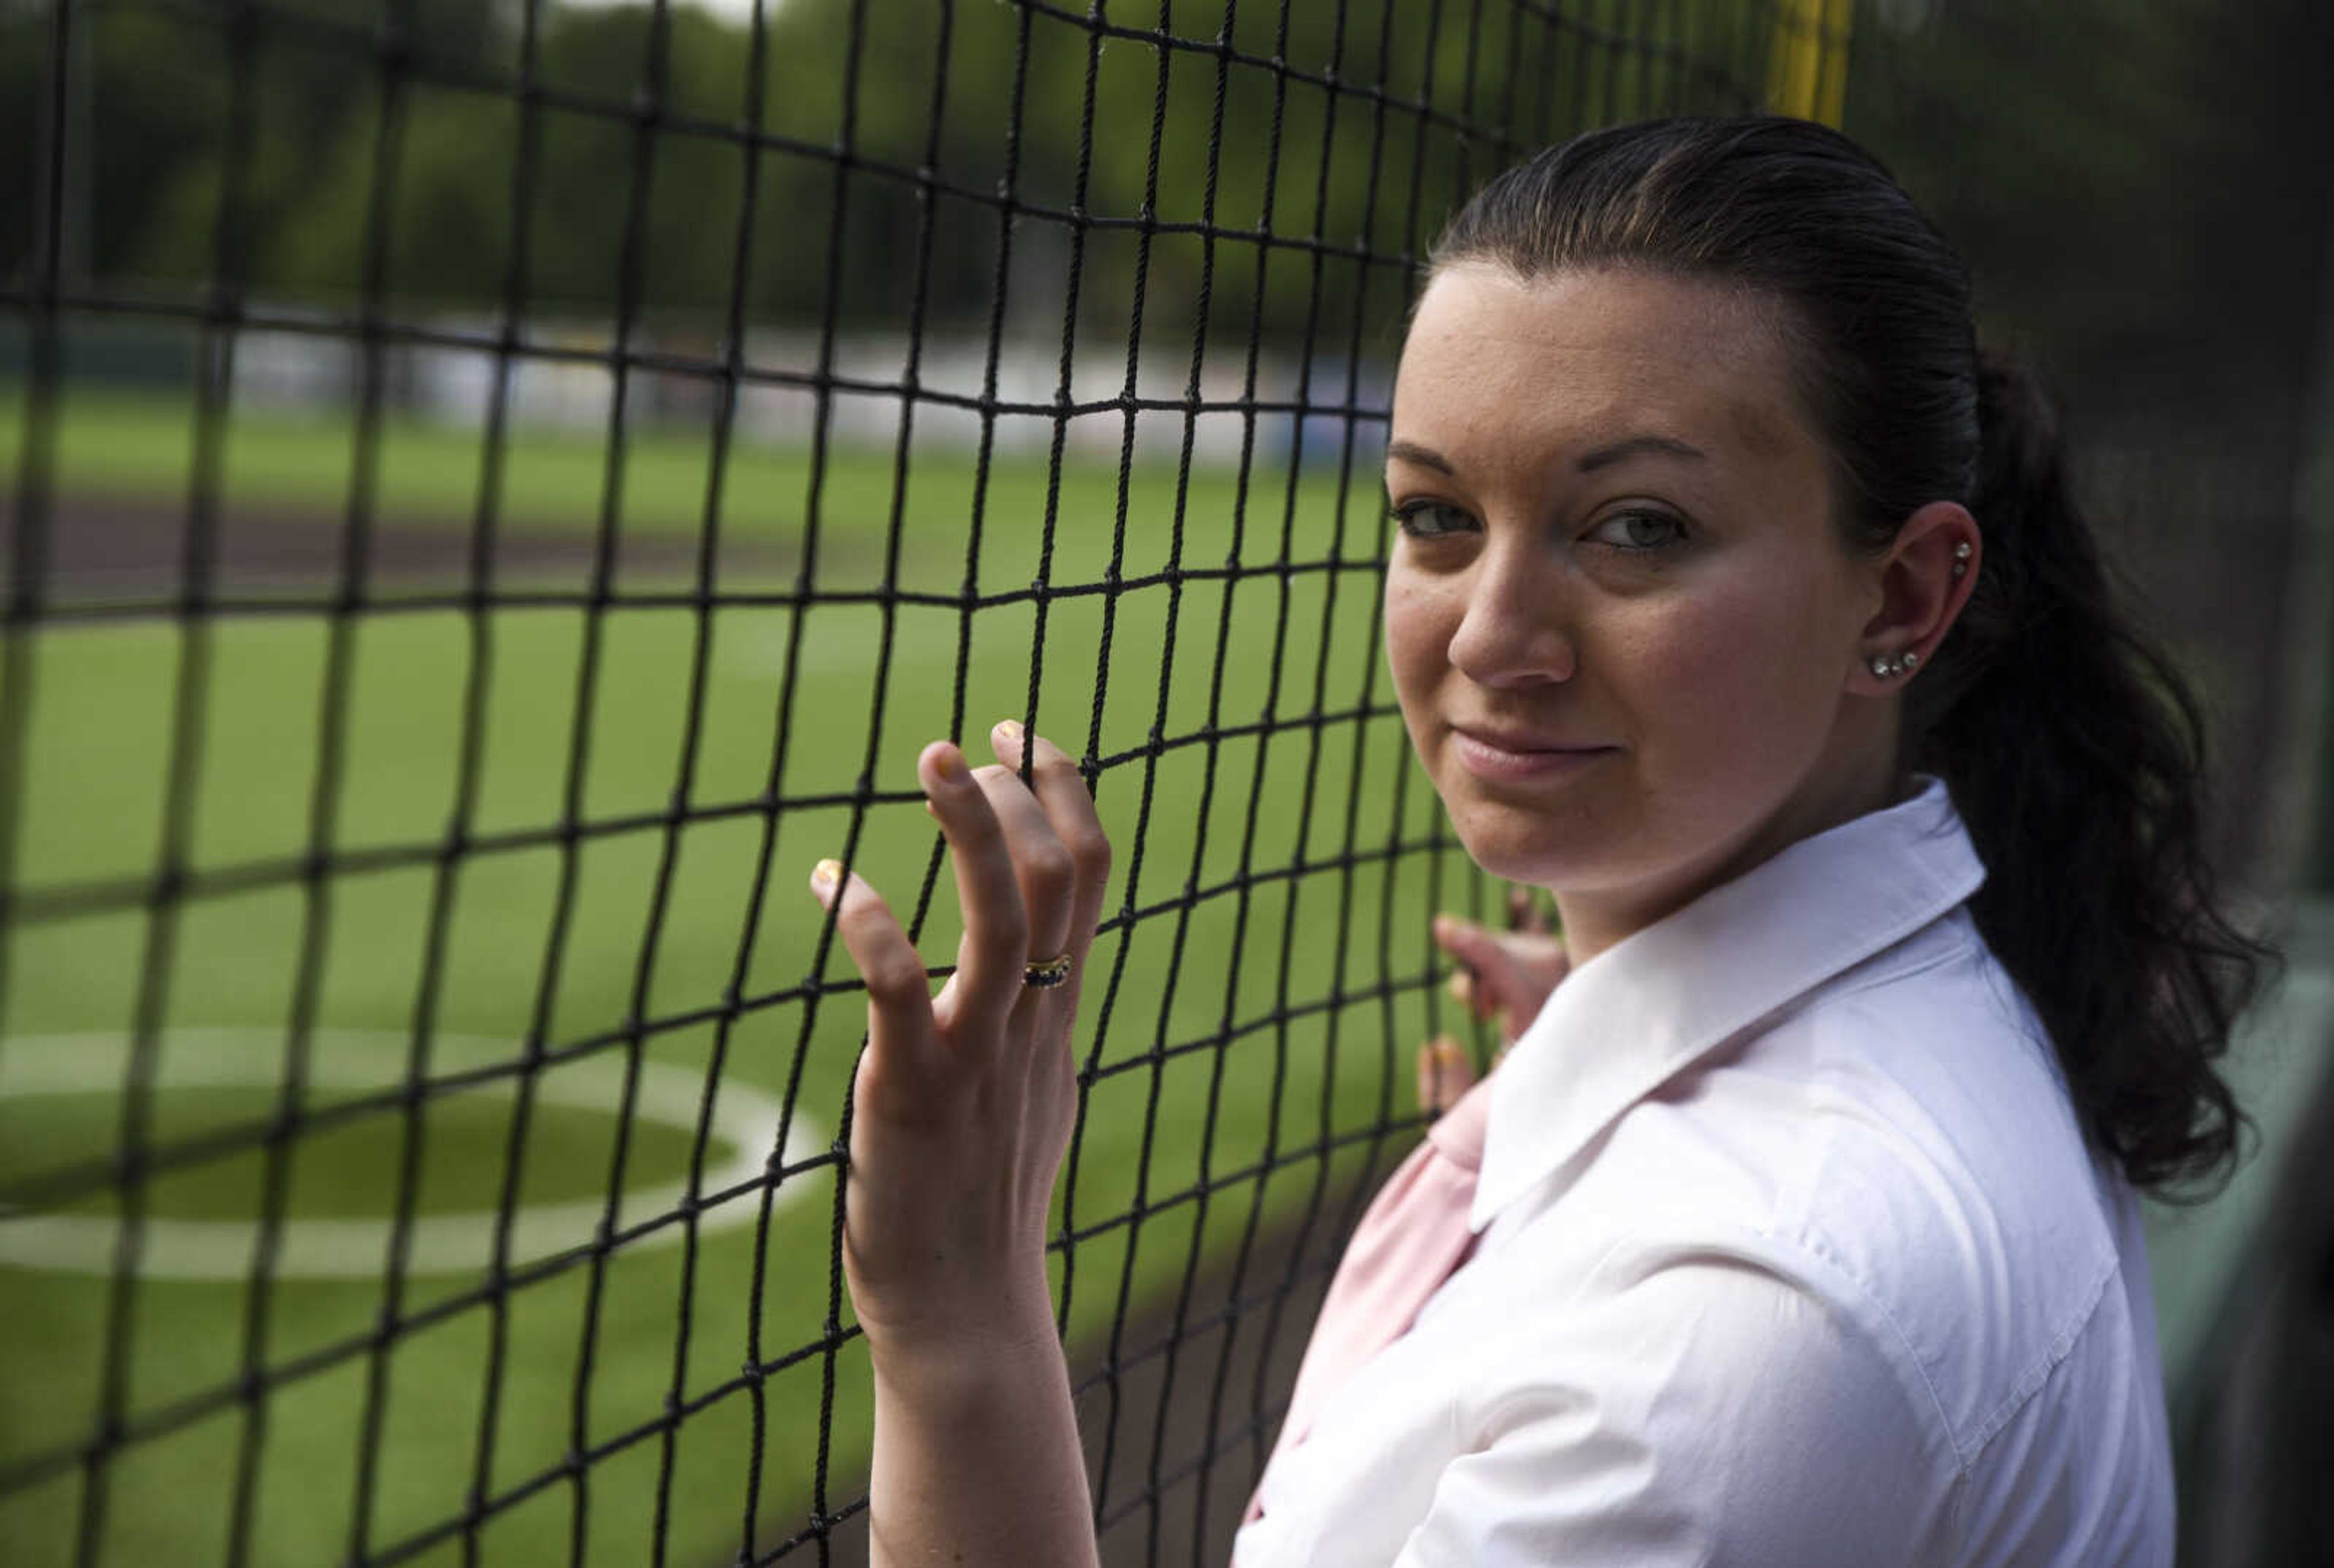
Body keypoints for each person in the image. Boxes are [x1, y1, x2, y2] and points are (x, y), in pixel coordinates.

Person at [804, 115, 2270, 1566]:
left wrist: (959, 1323)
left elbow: (1748, 1348)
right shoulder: (1905, 1042)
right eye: (1437, 515)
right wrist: (1626, 1074)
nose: (1493, 638)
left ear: (1900, 599)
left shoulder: (1746, 1316)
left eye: (1637, 528)